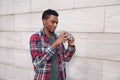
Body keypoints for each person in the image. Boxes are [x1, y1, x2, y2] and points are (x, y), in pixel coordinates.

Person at [30, 9, 76, 80]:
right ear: (44, 21)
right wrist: (55, 44)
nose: (55, 25)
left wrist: (71, 45)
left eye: (57, 23)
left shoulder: (57, 38)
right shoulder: (35, 37)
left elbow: (66, 58)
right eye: (52, 22)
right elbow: (37, 62)